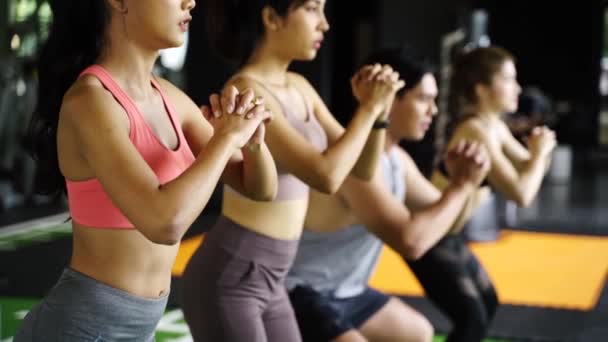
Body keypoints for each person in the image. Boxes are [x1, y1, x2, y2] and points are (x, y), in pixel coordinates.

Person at [14, 0, 277, 340]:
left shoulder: (168, 97)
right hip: (81, 328)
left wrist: (253, 142)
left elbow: (259, 188)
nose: (190, 2)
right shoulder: (90, 101)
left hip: (140, 328)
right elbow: (163, 221)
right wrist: (226, 138)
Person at [180, 0, 404, 341]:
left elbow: (362, 168)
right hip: (233, 274)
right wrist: (368, 108)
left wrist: (378, 113)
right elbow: (325, 175)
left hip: (275, 277)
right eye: (313, 9)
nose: (324, 24)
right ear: (271, 17)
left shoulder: (299, 86)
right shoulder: (246, 89)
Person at [286, 46, 490, 342]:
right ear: (389, 100)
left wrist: (470, 176)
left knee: (420, 333)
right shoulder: (357, 164)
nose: (432, 111)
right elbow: (412, 242)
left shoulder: (397, 160)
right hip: (303, 291)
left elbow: (449, 219)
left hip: (350, 291)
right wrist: (462, 186)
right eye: (423, 100)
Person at [409, 46, 557, 342]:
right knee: (471, 318)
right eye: (508, 79)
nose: (517, 88)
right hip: (428, 235)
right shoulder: (476, 130)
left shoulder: (494, 127)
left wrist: (539, 153)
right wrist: (540, 155)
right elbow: (522, 193)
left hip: (449, 234)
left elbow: (529, 165)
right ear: (482, 89)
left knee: (488, 302)